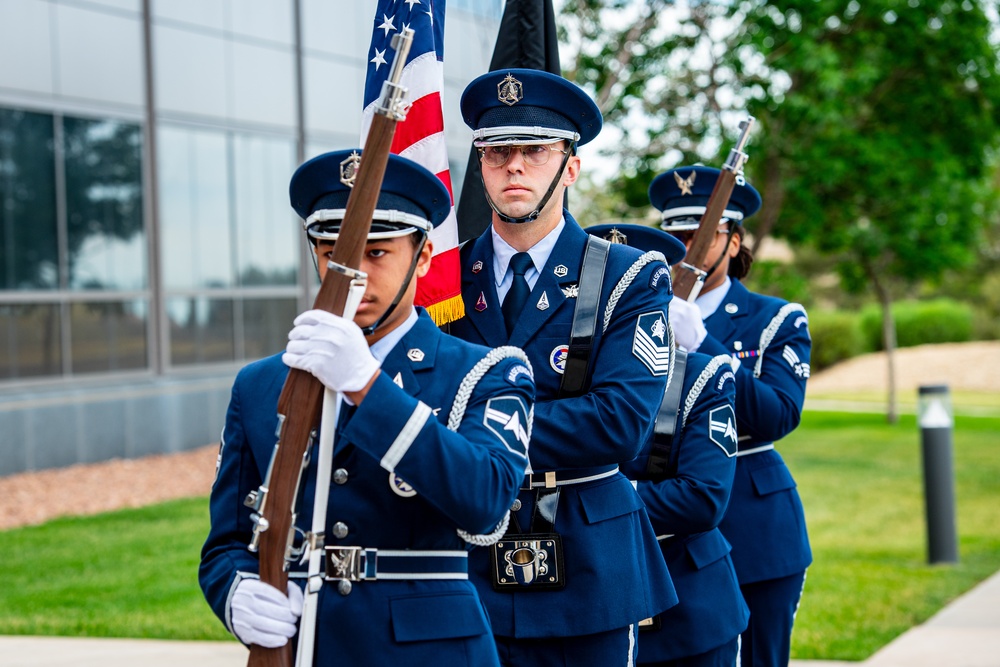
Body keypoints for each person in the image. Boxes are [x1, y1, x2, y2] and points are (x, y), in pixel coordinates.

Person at [199, 150, 536, 667]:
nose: (352, 274)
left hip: (430, 652)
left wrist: (367, 385)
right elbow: (228, 542)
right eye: (333, 254)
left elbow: (486, 502)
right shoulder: (261, 383)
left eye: (376, 253)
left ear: (423, 257)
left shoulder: (486, 370)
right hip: (310, 646)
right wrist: (236, 593)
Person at [447, 68, 677, 667]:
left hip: (587, 558)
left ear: (570, 167)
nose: (514, 167)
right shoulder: (439, 280)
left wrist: (472, 432)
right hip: (465, 557)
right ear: (479, 165)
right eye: (498, 152)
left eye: (535, 151)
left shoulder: (629, 277)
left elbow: (620, 423)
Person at [651, 165, 812, 667]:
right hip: (676, 525)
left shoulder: (775, 318)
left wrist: (702, 341)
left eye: (702, 234)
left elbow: (777, 414)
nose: (686, 247)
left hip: (752, 521)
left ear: (735, 240)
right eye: (674, 235)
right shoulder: (644, 314)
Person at [587, 223, 749, 667]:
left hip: (689, 609)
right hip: (594, 598)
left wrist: (597, 498)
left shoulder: (703, 375)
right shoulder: (567, 374)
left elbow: (702, 498)